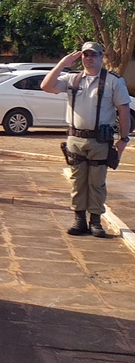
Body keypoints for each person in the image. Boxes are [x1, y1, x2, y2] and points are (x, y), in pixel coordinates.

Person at [41, 42, 130, 238]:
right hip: (76, 139)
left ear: (101, 57)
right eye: (85, 54)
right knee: (77, 181)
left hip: (100, 140)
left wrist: (124, 139)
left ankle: (96, 221)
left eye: (94, 55)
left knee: (97, 182)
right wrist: (63, 63)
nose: (89, 58)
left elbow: (123, 111)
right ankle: (79, 220)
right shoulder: (72, 79)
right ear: (81, 57)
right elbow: (46, 86)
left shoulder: (113, 81)